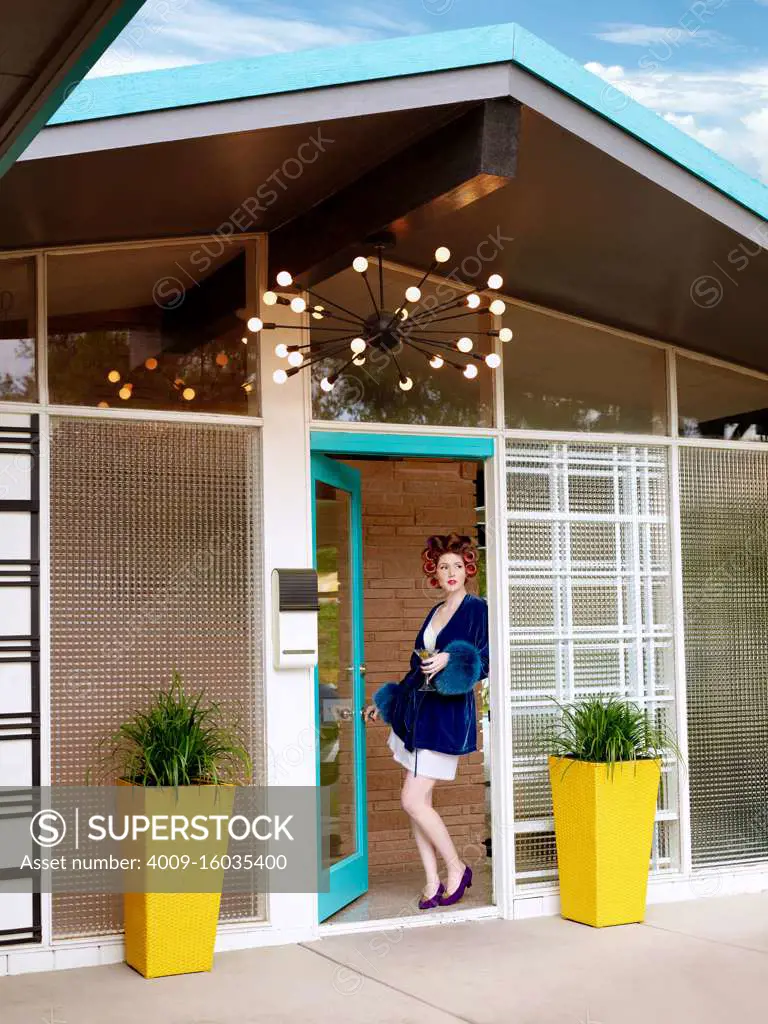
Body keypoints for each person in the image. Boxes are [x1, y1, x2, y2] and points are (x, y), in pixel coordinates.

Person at [365, 533, 489, 910]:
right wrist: (385, 704)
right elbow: (416, 667)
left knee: (412, 799)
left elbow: (487, 658)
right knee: (419, 802)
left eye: (456, 565)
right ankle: (432, 880)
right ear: (433, 573)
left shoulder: (477, 609)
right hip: (418, 715)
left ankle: (457, 868)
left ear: (468, 568)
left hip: (445, 718)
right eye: (442, 567)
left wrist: (452, 660)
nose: (450, 572)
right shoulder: (435, 612)